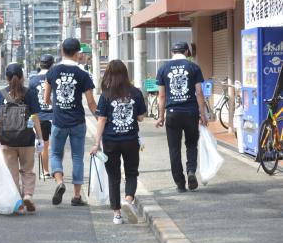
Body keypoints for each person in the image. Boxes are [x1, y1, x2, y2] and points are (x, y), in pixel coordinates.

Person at [90, 60, 147, 225]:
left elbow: (101, 120)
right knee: (131, 172)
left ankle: (117, 214)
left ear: (109, 74)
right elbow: (141, 117)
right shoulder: (135, 93)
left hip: (110, 142)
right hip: (130, 140)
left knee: (113, 177)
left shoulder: (106, 95)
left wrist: (96, 143)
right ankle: (128, 200)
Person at [44, 38, 97, 206]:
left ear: (62, 51)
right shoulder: (83, 74)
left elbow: (46, 99)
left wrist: (59, 106)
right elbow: (90, 102)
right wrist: (101, 119)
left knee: (55, 154)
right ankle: (76, 196)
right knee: (77, 157)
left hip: (59, 122)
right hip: (78, 122)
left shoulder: (52, 71)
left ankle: (60, 182)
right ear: (77, 54)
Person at [155, 41, 207, 193]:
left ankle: (180, 183)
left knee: (174, 149)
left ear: (172, 52)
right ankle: (191, 170)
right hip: (190, 112)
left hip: (172, 114)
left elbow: (162, 95)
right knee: (191, 144)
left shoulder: (163, 68)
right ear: (186, 52)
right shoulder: (193, 67)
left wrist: (160, 116)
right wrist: (202, 114)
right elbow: (199, 92)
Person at [0, 63, 44, 213]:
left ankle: (17, 202)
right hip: (26, 138)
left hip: (7, 139)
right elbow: (35, 117)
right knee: (27, 169)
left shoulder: (0, 94)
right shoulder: (29, 92)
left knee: (12, 172)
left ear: (6, 78)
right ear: (22, 77)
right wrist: (40, 138)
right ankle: (27, 195)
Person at [29, 54, 55, 179]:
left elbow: (29, 100)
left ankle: (45, 171)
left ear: (40, 64)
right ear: (52, 64)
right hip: (55, 116)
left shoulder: (33, 80)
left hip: (40, 117)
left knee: (43, 144)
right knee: (56, 145)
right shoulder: (55, 77)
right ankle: (58, 171)